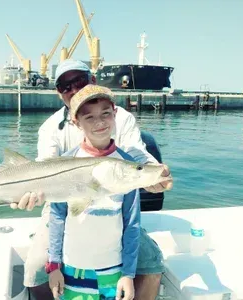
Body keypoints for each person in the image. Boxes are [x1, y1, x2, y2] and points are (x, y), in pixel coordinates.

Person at [15, 59, 173, 300]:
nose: (74, 88)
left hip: (113, 205)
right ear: (60, 94)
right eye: (65, 86)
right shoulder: (49, 128)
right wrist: (28, 194)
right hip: (63, 204)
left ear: (93, 80)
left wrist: (152, 171)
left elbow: (135, 153)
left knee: (151, 261)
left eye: (79, 80)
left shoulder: (120, 117)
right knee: (36, 267)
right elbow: (43, 172)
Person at [47, 84, 140, 300]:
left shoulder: (129, 165)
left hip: (113, 267)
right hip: (73, 265)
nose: (99, 123)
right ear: (76, 122)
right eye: (89, 117)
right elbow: (57, 215)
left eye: (106, 114)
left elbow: (132, 223)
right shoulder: (65, 163)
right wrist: (54, 265)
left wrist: (128, 274)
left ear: (115, 114)